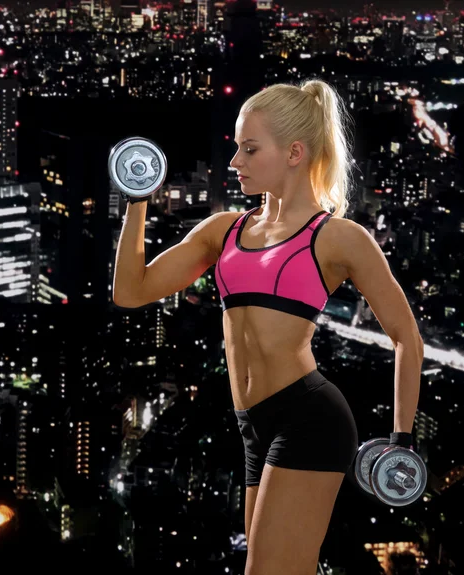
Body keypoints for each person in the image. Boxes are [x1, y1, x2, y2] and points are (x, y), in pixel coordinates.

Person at [112, 78, 424, 574]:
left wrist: (402, 439)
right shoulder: (224, 230)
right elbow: (131, 291)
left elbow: (407, 338)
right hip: (252, 428)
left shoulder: (339, 238)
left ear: (295, 152)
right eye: (237, 149)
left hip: (309, 419)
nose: (236, 162)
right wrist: (136, 198)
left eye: (250, 149)